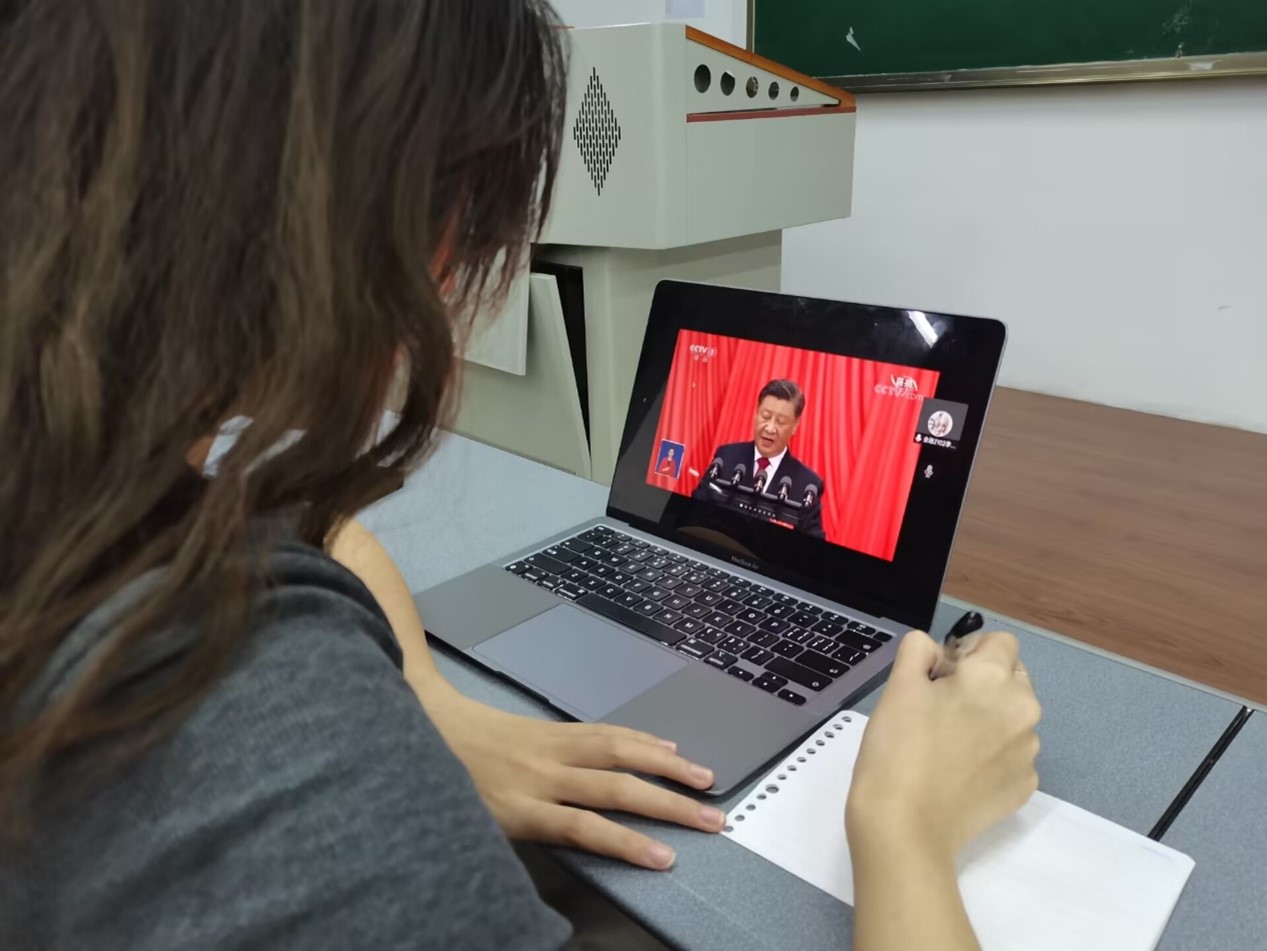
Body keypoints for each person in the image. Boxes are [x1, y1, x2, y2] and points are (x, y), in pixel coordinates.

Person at [0, 3, 1040, 949]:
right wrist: (904, 827)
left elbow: (310, 531)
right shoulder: (301, 766)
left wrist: (429, 701)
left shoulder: (80, 477)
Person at [695, 379, 827, 538]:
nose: (770, 428)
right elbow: (695, 511)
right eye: (765, 416)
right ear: (756, 413)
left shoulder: (808, 485)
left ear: (795, 425)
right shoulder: (726, 457)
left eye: (781, 422)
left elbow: (812, 546)